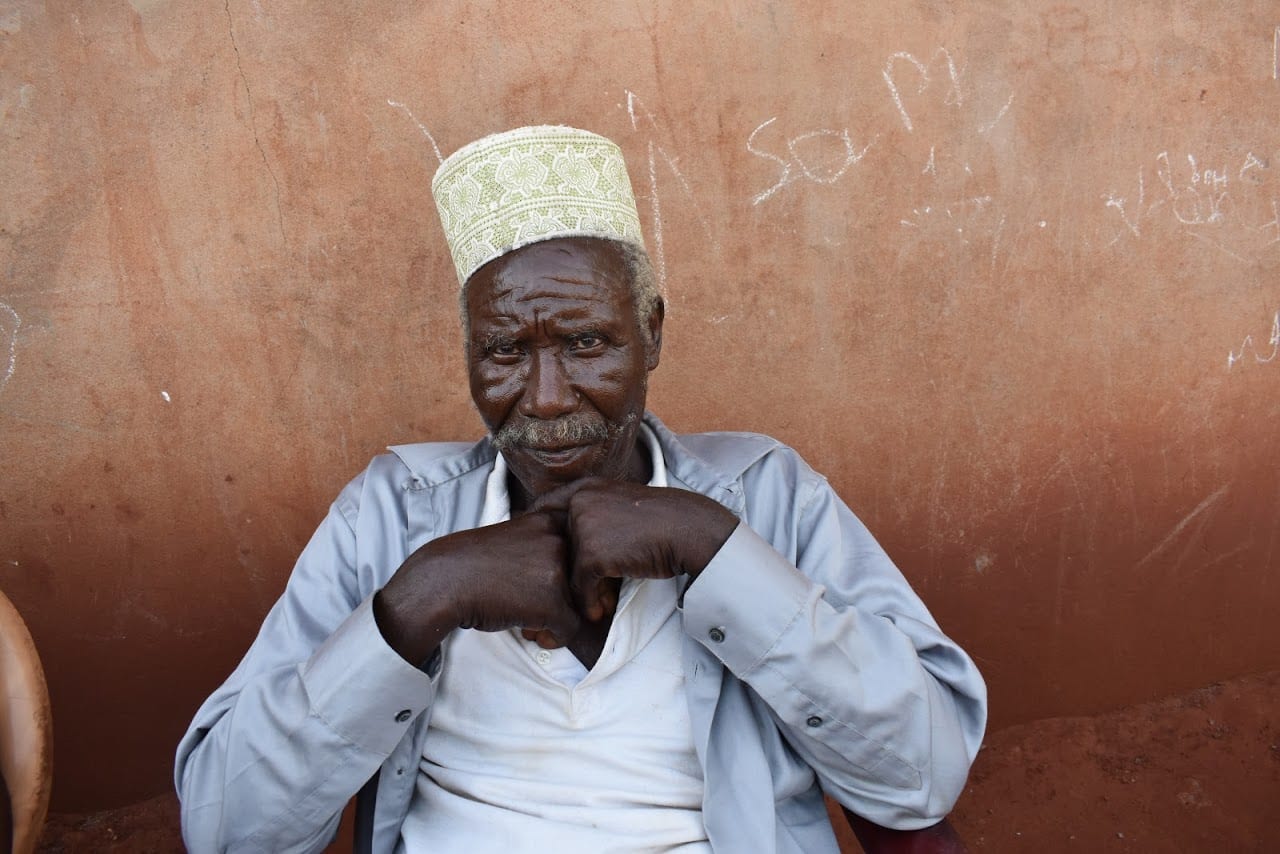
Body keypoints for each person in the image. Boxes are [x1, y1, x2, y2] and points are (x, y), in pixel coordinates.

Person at [175, 126, 987, 854]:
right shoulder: (389, 515)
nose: (549, 396)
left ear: (654, 334)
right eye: (503, 350)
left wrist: (717, 552)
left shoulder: (766, 495)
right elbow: (226, 828)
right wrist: (419, 603)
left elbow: (923, 774)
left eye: (587, 342)